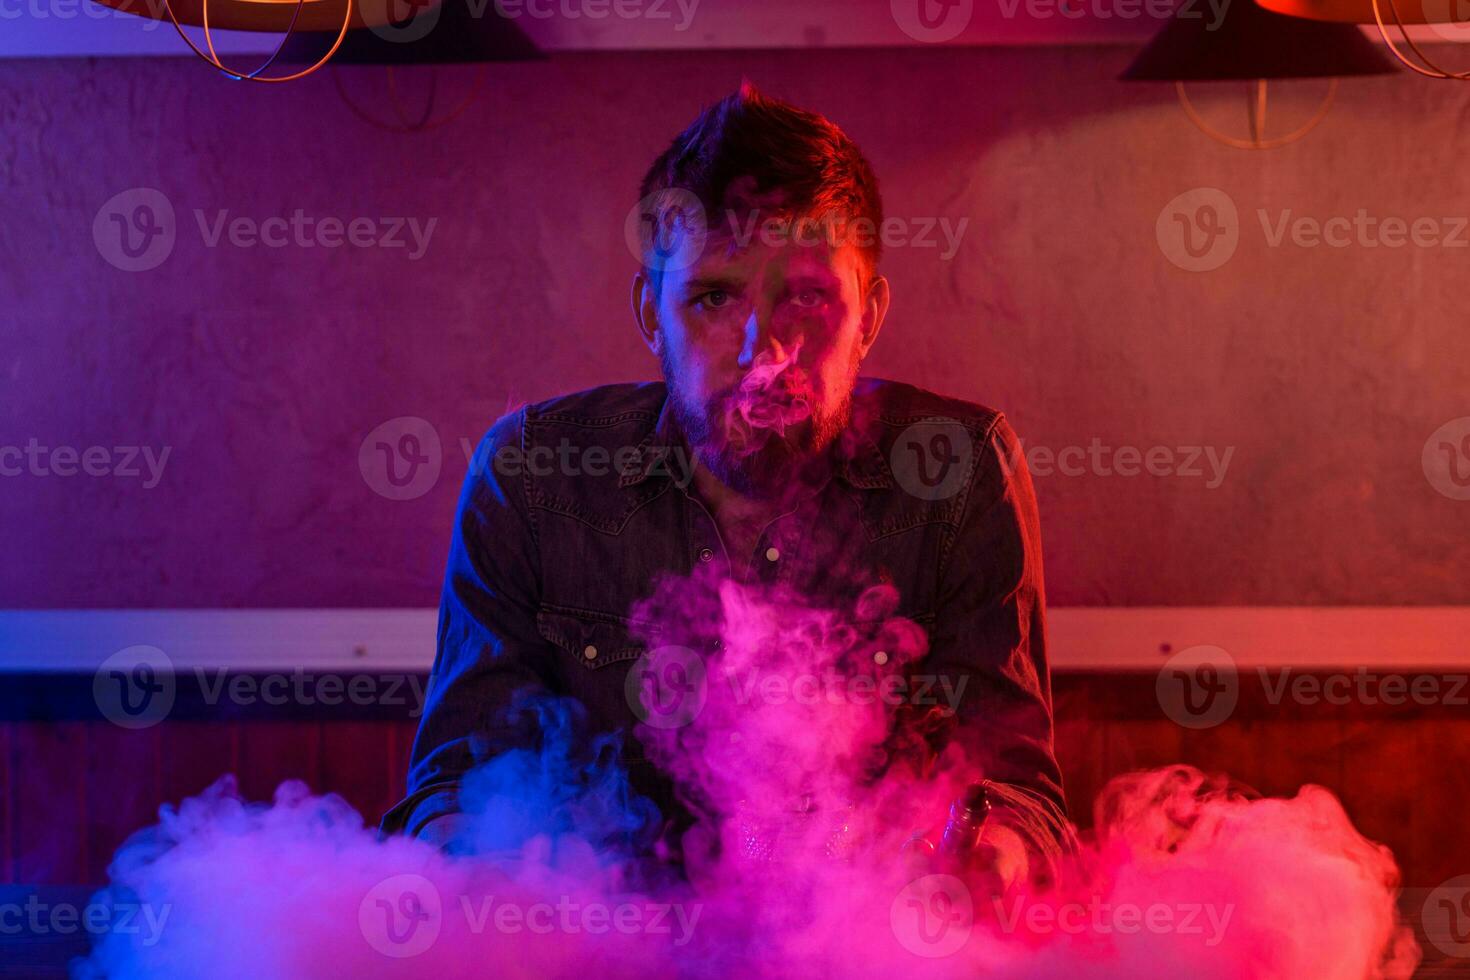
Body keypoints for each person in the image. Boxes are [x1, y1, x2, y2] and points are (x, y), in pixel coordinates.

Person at [382, 81, 1068, 888]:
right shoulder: (530, 475)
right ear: (652, 315)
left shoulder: (959, 473)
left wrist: (997, 862)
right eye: (713, 297)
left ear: (870, 319)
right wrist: (468, 866)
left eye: (808, 297)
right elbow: (461, 778)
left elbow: (1019, 792)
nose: (762, 346)